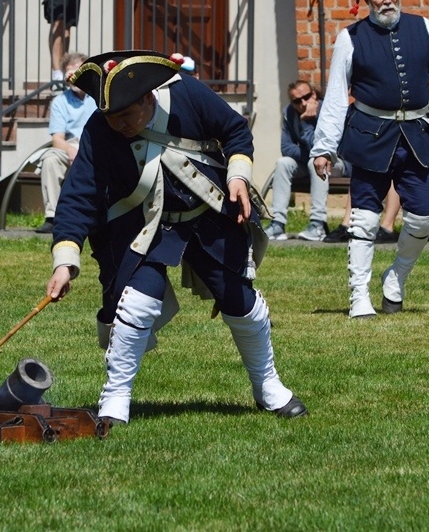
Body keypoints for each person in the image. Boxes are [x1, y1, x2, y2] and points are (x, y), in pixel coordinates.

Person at [45, 50, 307, 424]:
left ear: (147, 98)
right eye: (111, 119)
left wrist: (237, 176)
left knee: (240, 302)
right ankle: (115, 399)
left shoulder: (187, 93)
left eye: (126, 117)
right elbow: (78, 197)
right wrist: (65, 262)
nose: (117, 126)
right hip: (141, 226)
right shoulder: (100, 128)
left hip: (208, 214)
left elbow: (234, 131)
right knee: (137, 302)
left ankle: (268, 387)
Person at [310, 0, 429, 318]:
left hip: (415, 137)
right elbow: (338, 95)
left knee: (424, 218)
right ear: (367, 0)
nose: (387, 1)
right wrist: (324, 146)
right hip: (369, 136)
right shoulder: (350, 37)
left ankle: (396, 276)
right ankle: (359, 296)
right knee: (365, 217)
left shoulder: (424, 28)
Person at [263, 80, 349, 241]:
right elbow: (286, 148)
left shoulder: (327, 110)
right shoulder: (289, 113)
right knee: (283, 163)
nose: (303, 103)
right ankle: (277, 224)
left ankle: (318, 224)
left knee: (316, 162)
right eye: (297, 101)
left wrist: (307, 123)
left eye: (307, 97)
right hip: (309, 162)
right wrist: (311, 154)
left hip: (337, 163)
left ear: (314, 95)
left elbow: (324, 148)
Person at [34, 52, 98, 234]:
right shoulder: (59, 102)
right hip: (70, 146)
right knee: (50, 160)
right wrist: (71, 149)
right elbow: (57, 140)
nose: (73, 77)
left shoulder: (99, 97)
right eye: (69, 73)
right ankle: (52, 217)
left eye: (77, 71)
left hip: (96, 144)